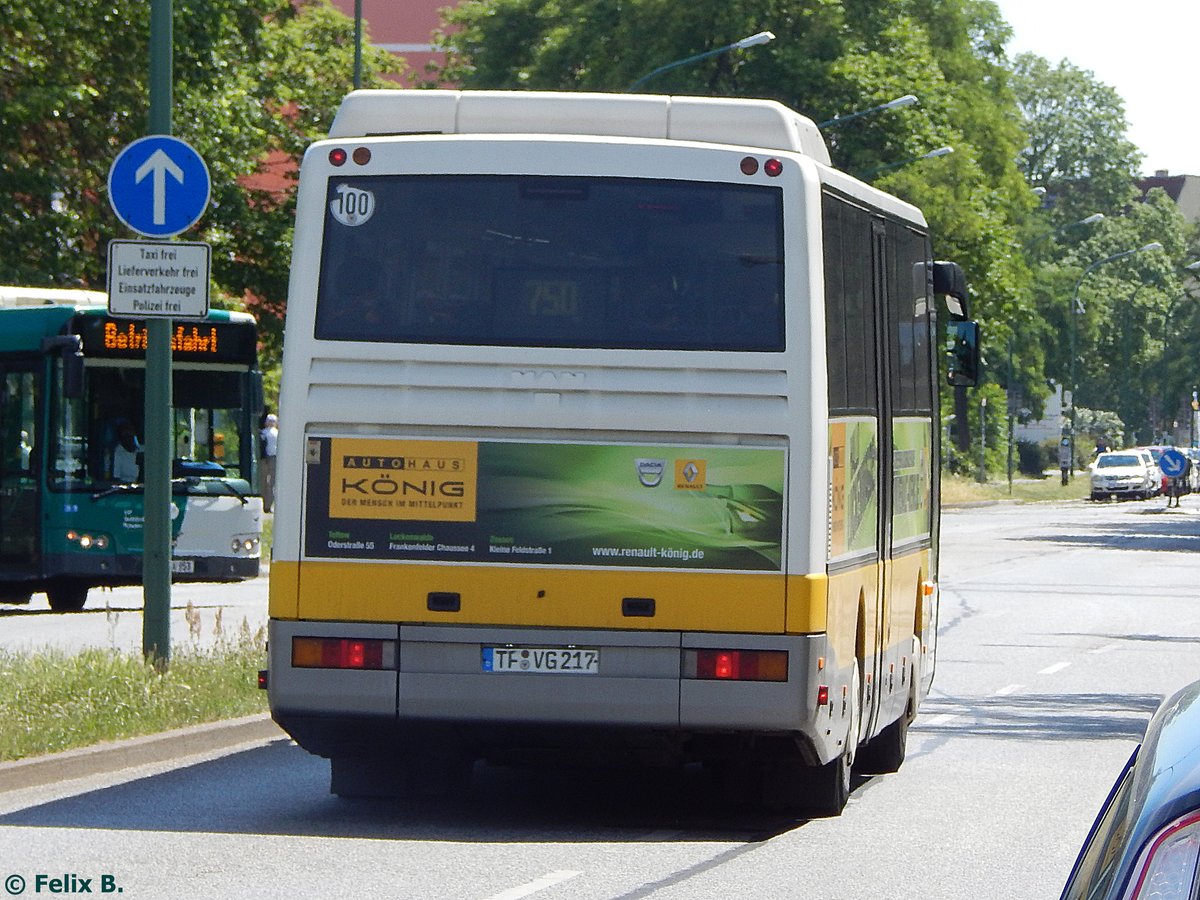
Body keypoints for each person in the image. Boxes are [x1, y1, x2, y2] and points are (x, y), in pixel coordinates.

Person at [260, 412, 278, 513]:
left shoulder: (262, 433)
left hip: (263, 459)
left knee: (263, 482)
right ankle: (269, 506)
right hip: (274, 458)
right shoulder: (278, 434)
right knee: (272, 483)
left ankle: (262, 503)